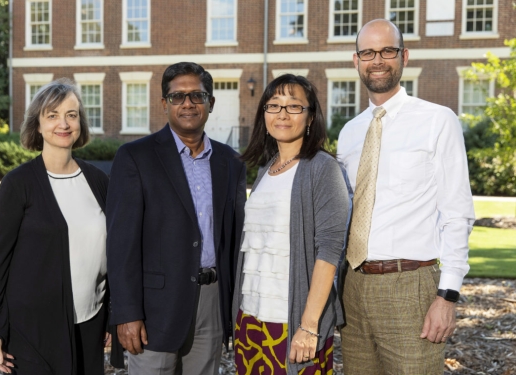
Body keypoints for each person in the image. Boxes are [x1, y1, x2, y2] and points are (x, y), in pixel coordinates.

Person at [337, 19, 475, 374]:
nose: (378, 60)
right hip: (352, 286)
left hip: (410, 286)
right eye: (368, 52)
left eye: (388, 51)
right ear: (356, 61)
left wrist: (447, 296)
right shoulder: (350, 133)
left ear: (404, 56)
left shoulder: (438, 120)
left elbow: (457, 214)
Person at [106, 62, 247, 375]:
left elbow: (235, 238)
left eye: (197, 96)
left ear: (211, 102)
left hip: (211, 302)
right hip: (154, 306)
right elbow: (120, 244)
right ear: (164, 103)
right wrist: (127, 312)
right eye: (177, 97)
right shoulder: (135, 157)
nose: (187, 104)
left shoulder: (231, 162)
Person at [0, 78, 111, 374]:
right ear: (38, 126)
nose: (63, 123)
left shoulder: (99, 181)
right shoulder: (18, 185)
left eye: (71, 114)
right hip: (33, 331)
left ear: (80, 122)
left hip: (90, 323)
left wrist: (111, 314)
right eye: (52, 115)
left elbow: (115, 252)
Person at [232, 74, 351, 375]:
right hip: (252, 317)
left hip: (293, 321)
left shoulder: (323, 169)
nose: (282, 114)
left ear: (310, 117)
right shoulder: (266, 169)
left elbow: (330, 251)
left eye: (294, 106)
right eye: (274, 105)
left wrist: (309, 327)